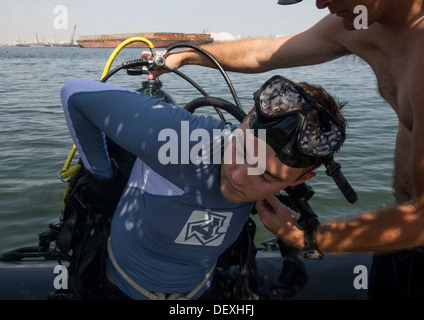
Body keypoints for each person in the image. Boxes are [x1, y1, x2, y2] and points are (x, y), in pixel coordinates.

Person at [144, 0, 424, 299]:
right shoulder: (362, 23)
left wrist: (308, 238)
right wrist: (187, 56)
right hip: (397, 241)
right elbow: (263, 53)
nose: (319, 4)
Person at [60, 74, 347, 300]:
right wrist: (102, 178)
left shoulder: (278, 187)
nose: (239, 177)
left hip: (203, 291)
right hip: (122, 288)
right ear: (246, 117)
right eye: (243, 150)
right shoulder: (182, 143)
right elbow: (74, 94)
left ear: (298, 181)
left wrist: (292, 237)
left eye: (267, 177)